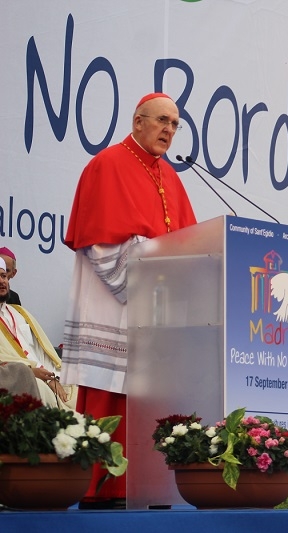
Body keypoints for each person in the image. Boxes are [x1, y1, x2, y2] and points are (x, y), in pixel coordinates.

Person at [60, 92, 197, 505]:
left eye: (174, 124)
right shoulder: (108, 164)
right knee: (110, 394)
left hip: (153, 311)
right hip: (114, 303)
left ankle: (145, 486)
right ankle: (102, 490)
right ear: (138, 122)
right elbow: (99, 242)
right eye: (161, 121)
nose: (169, 130)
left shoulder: (171, 176)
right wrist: (142, 274)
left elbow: (188, 243)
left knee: (150, 398)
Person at [0, 264, 72, 408]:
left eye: (3, 276)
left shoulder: (19, 312)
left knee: (81, 391)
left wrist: (53, 376)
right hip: (20, 379)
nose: (2, 281)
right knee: (39, 389)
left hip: (50, 377)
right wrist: (30, 373)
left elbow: (42, 352)